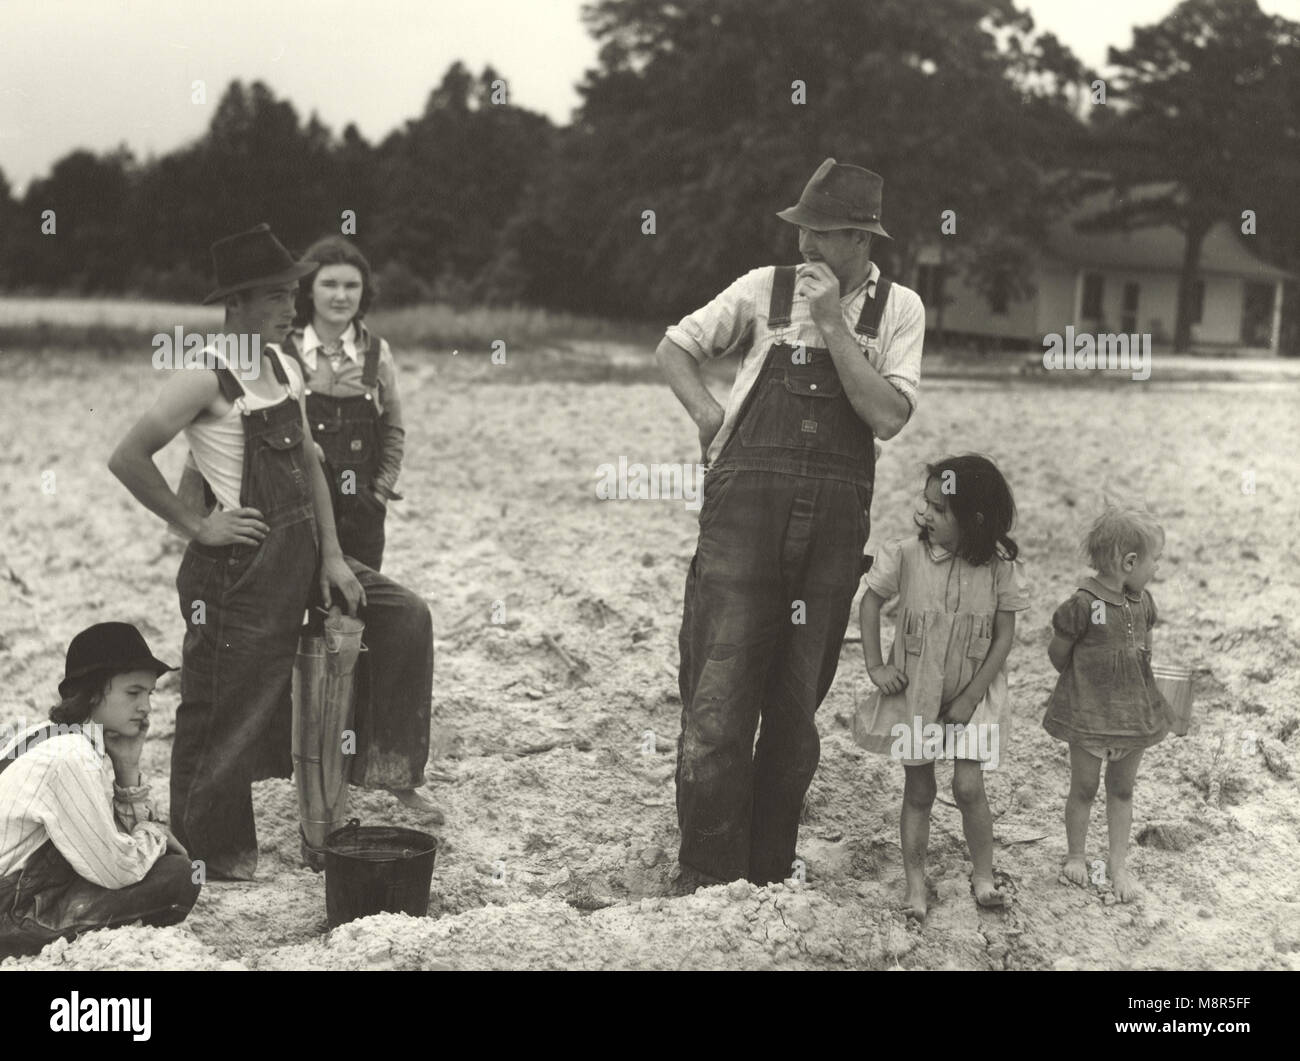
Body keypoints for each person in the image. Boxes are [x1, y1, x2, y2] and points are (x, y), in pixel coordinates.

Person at [658, 159, 925, 888]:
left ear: (861, 239)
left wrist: (835, 323)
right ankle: (705, 873)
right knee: (716, 702)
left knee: (794, 713)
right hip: (742, 518)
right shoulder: (761, 288)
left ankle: (769, 875)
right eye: (802, 228)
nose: (805, 245)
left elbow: (888, 416)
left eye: (822, 232)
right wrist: (711, 416)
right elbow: (674, 347)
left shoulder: (899, 311)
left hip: (833, 531)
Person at [110, 223, 398, 880]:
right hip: (233, 575)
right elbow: (127, 457)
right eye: (275, 297)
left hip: (295, 561)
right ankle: (209, 854)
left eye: (291, 295)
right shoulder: (204, 375)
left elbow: (313, 471)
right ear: (236, 302)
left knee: (389, 619)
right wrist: (197, 525)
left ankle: (252, 834)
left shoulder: (284, 367)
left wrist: (329, 556)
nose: (289, 309)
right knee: (220, 712)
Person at [853, 455, 1029, 919]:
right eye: (926, 504)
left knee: (969, 786)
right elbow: (869, 603)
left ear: (974, 520)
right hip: (919, 692)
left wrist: (972, 696)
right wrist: (875, 665)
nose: (927, 515)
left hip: (976, 691)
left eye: (940, 509)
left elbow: (1005, 635)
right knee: (920, 788)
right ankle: (915, 885)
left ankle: (984, 875)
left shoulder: (998, 567)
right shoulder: (906, 556)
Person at [0, 623, 200, 958]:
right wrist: (156, 834)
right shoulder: (73, 757)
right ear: (93, 693)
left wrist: (127, 766)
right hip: (9, 906)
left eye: (149, 694)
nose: (146, 708)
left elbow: (108, 839)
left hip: (19, 887)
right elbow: (116, 870)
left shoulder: (42, 734)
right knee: (180, 875)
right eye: (132, 693)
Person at [1044, 502, 1170, 903]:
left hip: (1132, 718)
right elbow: (1058, 653)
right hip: (1088, 717)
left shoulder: (1142, 602)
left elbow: (1145, 652)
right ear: (1129, 561)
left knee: (1122, 791)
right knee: (1083, 787)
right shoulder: (1082, 604)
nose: (1156, 570)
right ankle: (1077, 855)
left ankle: (1118, 864)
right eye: (1155, 562)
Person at [283, 236, 406, 572]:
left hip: (360, 513)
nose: (341, 296)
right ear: (309, 289)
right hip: (296, 510)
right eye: (329, 284)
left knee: (350, 614)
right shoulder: (281, 349)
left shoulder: (378, 354)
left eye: (352, 285)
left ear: (363, 292)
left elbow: (393, 430)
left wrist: (379, 494)